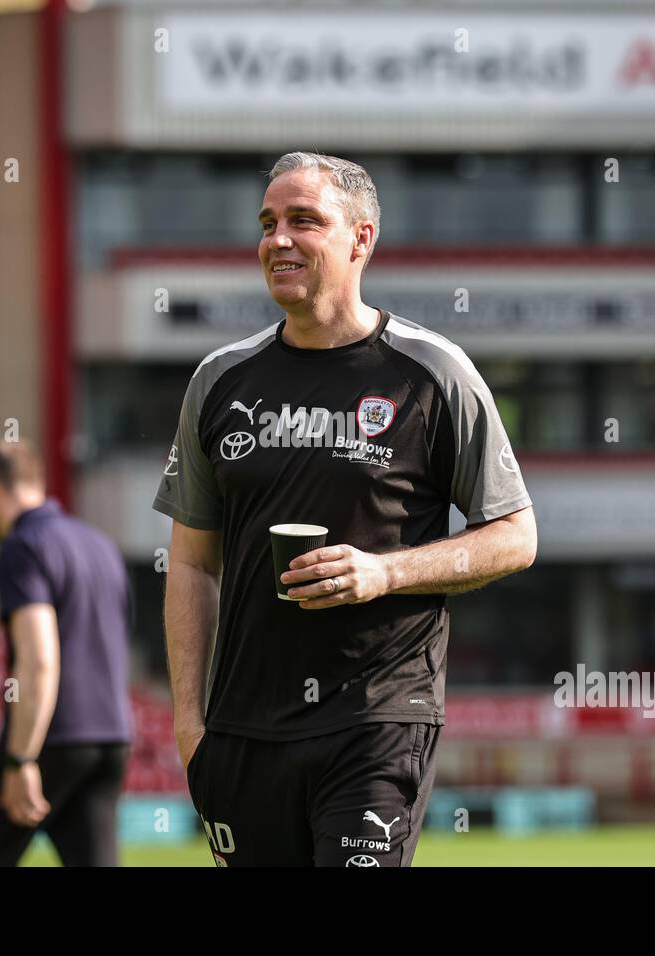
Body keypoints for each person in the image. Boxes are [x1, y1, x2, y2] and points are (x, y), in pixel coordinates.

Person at [153, 152, 538, 867]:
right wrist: (189, 728)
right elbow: (191, 562)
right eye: (269, 223)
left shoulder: (432, 373)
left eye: (305, 221)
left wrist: (383, 574)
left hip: (375, 721)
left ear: (361, 239)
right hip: (242, 733)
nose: (279, 240)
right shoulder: (219, 381)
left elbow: (515, 536)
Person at [0, 439, 133, 866]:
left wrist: (21, 759)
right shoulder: (100, 546)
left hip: (51, 737)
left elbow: (38, 657)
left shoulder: (21, 547)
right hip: (110, 736)